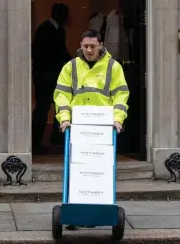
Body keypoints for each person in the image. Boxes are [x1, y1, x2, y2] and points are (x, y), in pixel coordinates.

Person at [53, 29, 130, 230]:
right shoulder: (70, 67)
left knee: (100, 170)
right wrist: (64, 119)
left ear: (101, 45)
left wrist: (118, 120)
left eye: (93, 46)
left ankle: (98, 209)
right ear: (80, 45)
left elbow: (121, 96)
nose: (88, 50)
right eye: (85, 46)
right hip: (77, 127)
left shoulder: (113, 67)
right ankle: (74, 210)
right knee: (76, 169)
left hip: (103, 128)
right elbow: (61, 95)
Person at [31, 2, 72, 154]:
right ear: (58, 14)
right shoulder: (44, 29)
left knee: (60, 105)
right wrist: (46, 72)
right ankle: (35, 142)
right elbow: (39, 53)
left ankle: (56, 137)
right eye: (65, 14)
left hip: (55, 75)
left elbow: (62, 51)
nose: (68, 18)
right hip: (44, 76)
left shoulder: (59, 30)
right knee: (42, 107)